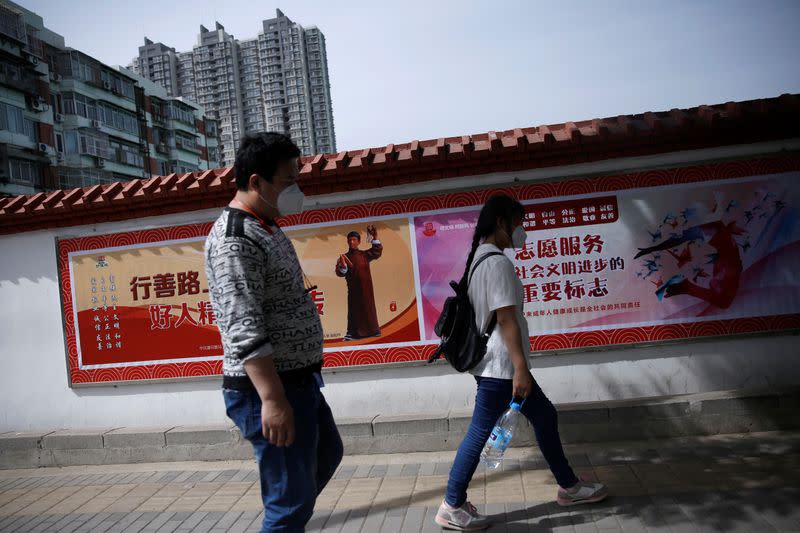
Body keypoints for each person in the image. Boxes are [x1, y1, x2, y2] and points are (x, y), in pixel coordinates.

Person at [435, 195, 608, 531]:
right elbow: (506, 319)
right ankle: (452, 504)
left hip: (495, 366)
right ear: (502, 223)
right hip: (502, 368)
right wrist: (520, 368)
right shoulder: (497, 262)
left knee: (544, 416)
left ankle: (569, 486)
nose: (521, 231)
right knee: (481, 431)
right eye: (518, 223)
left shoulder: (479, 259)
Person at [204, 132, 343, 532]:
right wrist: (272, 399)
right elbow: (243, 324)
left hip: (297, 381)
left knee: (325, 455)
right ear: (255, 182)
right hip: (270, 388)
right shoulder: (234, 239)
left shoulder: (264, 224)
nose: (295, 190)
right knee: (288, 503)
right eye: (288, 181)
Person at [335, 225, 383, 340]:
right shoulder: (343, 257)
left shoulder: (364, 255)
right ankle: (352, 334)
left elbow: (376, 252)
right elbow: (340, 272)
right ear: (347, 241)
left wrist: (375, 236)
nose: (352, 242)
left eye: (354, 240)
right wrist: (343, 266)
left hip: (366, 289)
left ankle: (373, 331)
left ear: (359, 242)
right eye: (350, 240)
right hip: (353, 290)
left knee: (368, 308)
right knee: (353, 311)